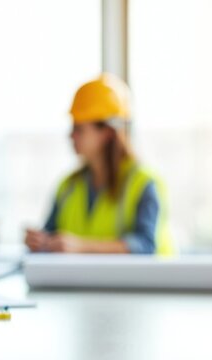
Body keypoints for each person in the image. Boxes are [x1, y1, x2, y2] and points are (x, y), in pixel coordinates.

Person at [25, 73, 174, 255]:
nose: (71, 136)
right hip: (80, 283)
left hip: (143, 284)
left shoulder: (143, 183)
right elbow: (51, 235)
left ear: (107, 132)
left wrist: (81, 247)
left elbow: (146, 245)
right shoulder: (68, 187)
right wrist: (41, 242)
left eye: (78, 128)